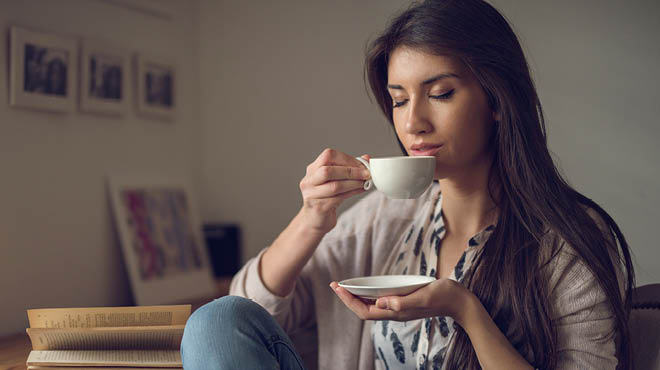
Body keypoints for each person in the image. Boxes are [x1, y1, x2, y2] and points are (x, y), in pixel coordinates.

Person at [180, 0, 635, 369]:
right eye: (399, 100)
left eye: (440, 94)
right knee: (215, 320)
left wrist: (466, 311)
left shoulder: (566, 242)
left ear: (497, 99)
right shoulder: (385, 218)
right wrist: (312, 219)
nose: (412, 122)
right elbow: (242, 321)